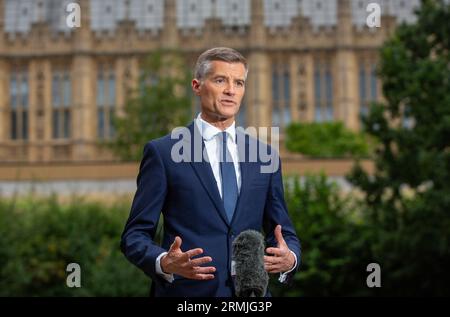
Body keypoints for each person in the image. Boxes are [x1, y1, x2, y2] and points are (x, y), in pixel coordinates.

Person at [120, 47, 301, 297]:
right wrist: (164, 262)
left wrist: (289, 258)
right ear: (197, 86)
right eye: (220, 80)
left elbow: (283, 232)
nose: (231, 90)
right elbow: (134, 236)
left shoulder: (265, 156)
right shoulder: (163, 153)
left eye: (239, 82)